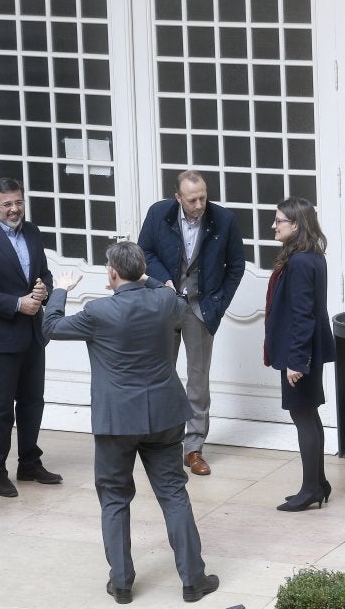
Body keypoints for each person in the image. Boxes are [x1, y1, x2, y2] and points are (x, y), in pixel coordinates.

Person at [42, 241, 219, 604]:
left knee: (114, 499)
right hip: (165, 416)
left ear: (111, 274)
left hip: (117, 420)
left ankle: (121, 583)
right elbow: (176, 299)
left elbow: (52, 327)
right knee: (173, 493)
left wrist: (59, 289)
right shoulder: (166, 302)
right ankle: (193, 579)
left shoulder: (98, 311)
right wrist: (143, 278)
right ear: (141, 271)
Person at [138, 170, 245, 475]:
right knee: (160, 374)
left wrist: (219, 302)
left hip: (201, 308)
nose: (199, 204)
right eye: (192, 199)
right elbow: (144, 250)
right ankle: (160, 442)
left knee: (198, 380)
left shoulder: (223, 219)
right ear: (178, 198)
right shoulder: (159, 213)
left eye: (203, 196)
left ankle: (194, 448)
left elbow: (237, 265)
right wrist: (163, 281)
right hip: (165, 304)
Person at [0, 177, 61, 498]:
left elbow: (43, 272)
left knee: (33, 401)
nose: (15, 209)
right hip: (4, 336)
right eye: (7, 204)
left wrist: (44, 289)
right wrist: (17, 304)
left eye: (18, 202)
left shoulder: (32, 231)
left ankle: (29, 463)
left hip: (35, 333)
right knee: (2, 406)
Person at [264, 197, 335, 512]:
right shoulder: (310, 256)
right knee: (308, 413)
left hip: (301, 353)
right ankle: (317, 483)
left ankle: (311, 489)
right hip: (306, 351)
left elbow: (303, 314)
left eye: (279, 220)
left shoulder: (301, 261)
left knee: (303, 416)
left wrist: (297, 360)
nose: (274, 226)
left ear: (296, 224)